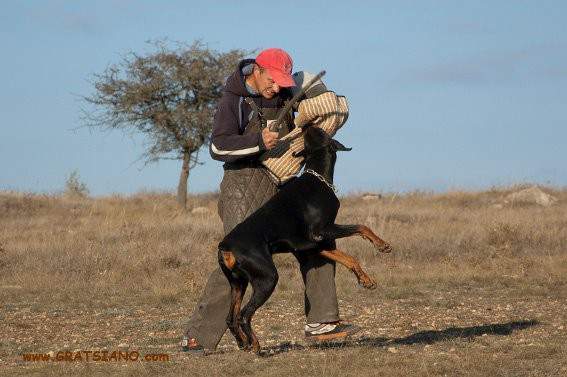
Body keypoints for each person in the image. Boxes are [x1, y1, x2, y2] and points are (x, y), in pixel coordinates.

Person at [182, 48, 358, 353]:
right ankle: (198, 336)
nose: (276, 89)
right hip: (243, 183)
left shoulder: (282, 89)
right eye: (272, 82)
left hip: (283, 181)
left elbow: (313, 94)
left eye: (281, 84)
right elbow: (218, 147)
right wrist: (257, 141)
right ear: (258, 70)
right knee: (237, 256)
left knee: (318, 241)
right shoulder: (232, 100)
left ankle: (322, 323)